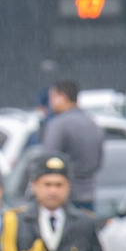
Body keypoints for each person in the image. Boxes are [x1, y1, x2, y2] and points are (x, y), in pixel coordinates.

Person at [38, 80, 105, 209]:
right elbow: (99, 162)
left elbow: (47, 161)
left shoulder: (58, 124)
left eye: (52, 96)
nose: (50, 102)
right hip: (90, 195)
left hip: (64, 200)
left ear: (62, 97)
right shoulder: (93, 123)